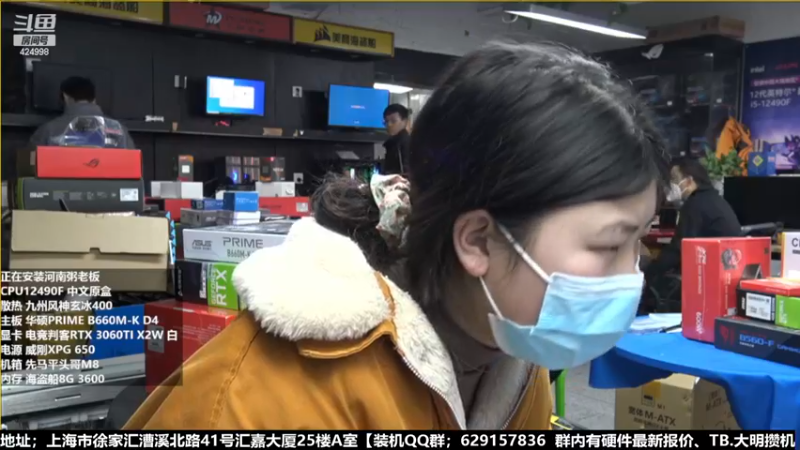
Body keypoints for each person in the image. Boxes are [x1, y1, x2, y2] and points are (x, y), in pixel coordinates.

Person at [125, 42, 669, 430]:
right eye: (608, 245)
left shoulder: (511, 354)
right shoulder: (262, 398)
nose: (632, 276)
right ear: (478, 241)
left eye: (639, 243)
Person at [643, 157, 741, 310]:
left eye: (675, 179)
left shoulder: (695, 206)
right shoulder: (714, 200)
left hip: (706, 281)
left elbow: (679, 249)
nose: (671, 184)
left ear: (689, 181)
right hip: (726, 275)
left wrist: (649, 272)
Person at [29, 76, 136, 149]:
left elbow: (29, 166)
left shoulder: (49, 130)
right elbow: (134, 168)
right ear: (94, 99)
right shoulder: (119, 129)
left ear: (65, 96)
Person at [382, 103, 410, 174]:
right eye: (386, 122)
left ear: (405, 121)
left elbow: (406, 172)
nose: (389, 125)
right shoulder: (392, 143)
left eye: (393, 121)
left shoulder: (405, 143)